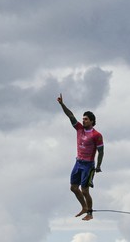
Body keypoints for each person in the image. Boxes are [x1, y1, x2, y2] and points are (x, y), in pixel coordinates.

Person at [57, 93, 104, 221]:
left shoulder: (96, 135)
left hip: (88, 165)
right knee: (73, 188)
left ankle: (90, 213)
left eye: (86, 119)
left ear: (92, 121)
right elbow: (70, 115)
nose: (83, 120)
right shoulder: (79, 129)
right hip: (78, 163)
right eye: (83, 119)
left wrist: (98, 166)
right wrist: (62, 104)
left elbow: (101, 151)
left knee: (85, 190)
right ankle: (84, 207)